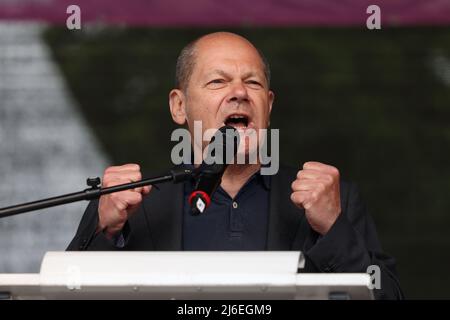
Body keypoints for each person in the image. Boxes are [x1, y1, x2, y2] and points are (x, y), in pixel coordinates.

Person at [67, 32, 403, 299]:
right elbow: (64, 294)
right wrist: (104, 231)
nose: (239, 92)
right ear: (179, 106)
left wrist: (334, 230)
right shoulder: (132, 202)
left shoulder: (333, 198)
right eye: (218, 81)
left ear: (268, 106)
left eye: (253, 83)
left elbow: (387, 295)